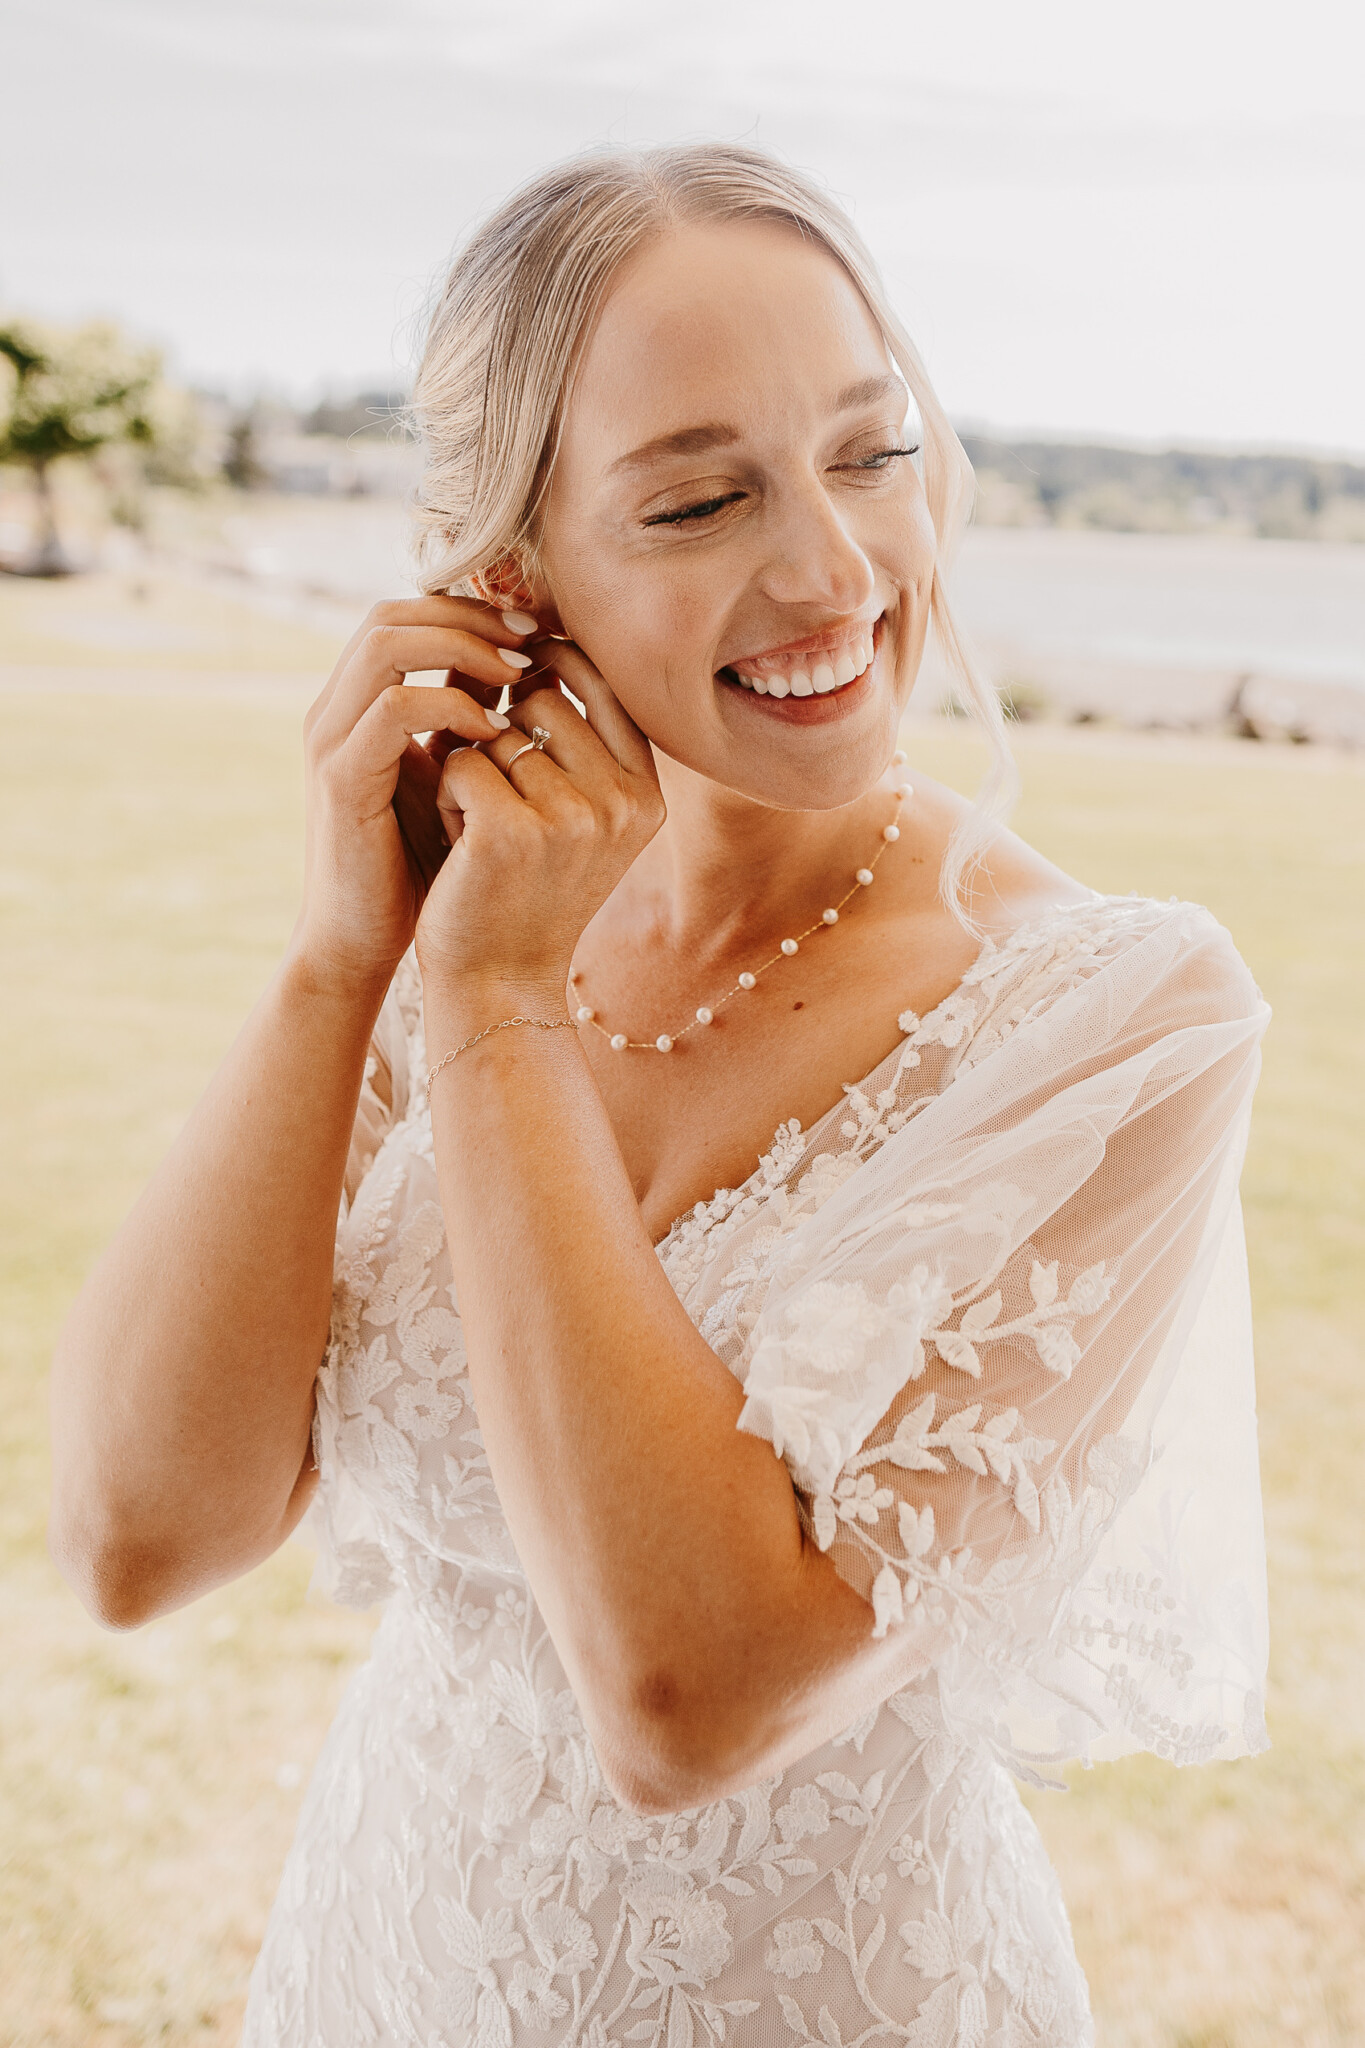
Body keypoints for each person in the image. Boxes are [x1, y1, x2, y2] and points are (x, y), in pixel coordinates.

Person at [50, 145, 1271, 2047]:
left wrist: (498, 1000)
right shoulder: (451, 939)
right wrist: (335, 963)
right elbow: (140, 1536)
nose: (834, 574)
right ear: (505, 581)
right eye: (701, 498)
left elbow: (685, 1698)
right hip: (387, 1958)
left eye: (870, 454)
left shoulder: (1114, 1019)